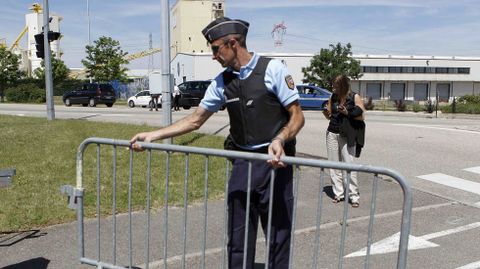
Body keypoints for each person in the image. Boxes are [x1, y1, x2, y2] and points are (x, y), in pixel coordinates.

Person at [130, 17, 305, 269]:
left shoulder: (273, 70)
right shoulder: (222, 81)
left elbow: (297, 115)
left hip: (275, 164)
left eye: (215, 49)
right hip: (243, 164)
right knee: (238, 237)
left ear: (232, 43)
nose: (214, 56)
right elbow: (195, 119)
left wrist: (280, 139)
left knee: (278, 236)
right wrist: (153, 135)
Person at [322, 74, 365, 208]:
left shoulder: (354, 97)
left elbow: (362, 116)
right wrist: (325, 112)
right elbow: (330, 115)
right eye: (334, 86)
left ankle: (353, 196)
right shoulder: (333, 97)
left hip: (347, 134)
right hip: (332, 132)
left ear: (344, 85)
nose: (334, 89)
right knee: (334, 165)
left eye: (336, 86)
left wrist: (347, 112)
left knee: (349, 165)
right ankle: (338, 193)